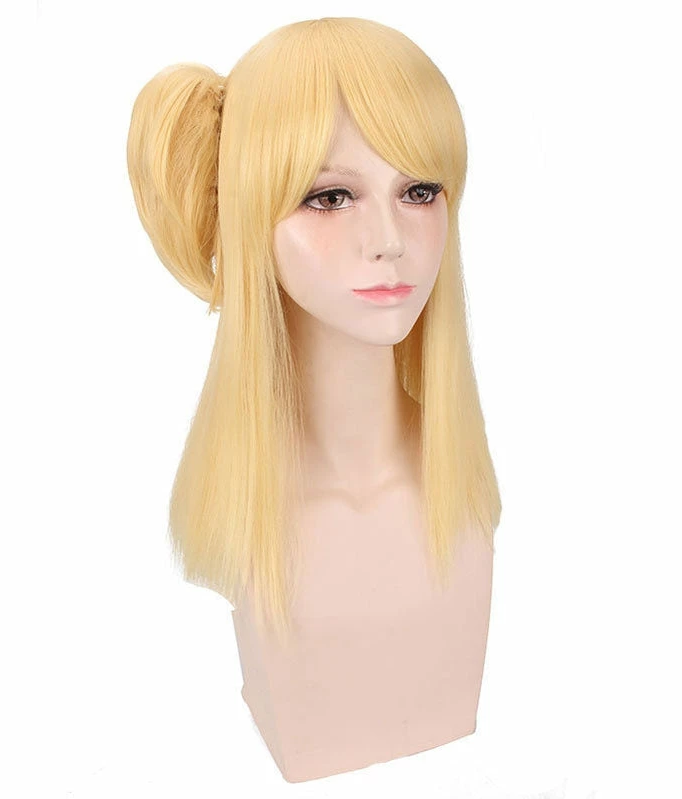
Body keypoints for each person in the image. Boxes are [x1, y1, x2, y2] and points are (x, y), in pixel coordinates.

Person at [126, 16, 501, 782]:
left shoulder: (459, 492)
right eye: (330, 196)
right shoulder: (255, 514)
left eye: (418, 190)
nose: (389, 237)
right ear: (244, 215)